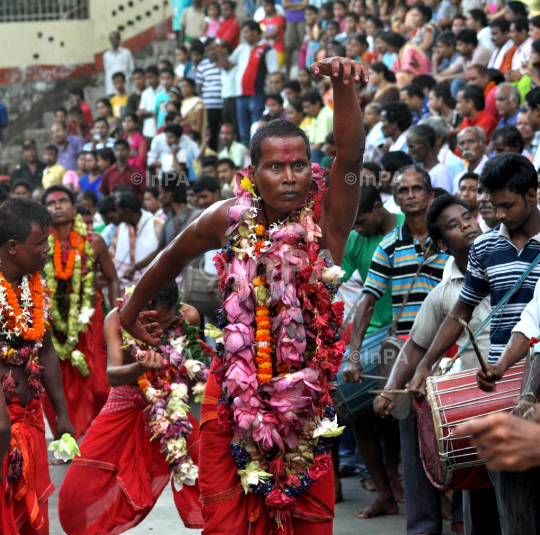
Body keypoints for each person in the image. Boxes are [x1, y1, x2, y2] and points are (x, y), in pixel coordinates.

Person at [118, 57, 367, 535]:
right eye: (276, 167)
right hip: (232, 396)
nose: (290, 176)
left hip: (306, 400)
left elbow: (350, 159)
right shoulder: (227, 216)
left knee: (309, 522)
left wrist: (343, 89)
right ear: (253, 172)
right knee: (227, 523)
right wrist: (130, 314)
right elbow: (170, 256)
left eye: (298, 165)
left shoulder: (330, 218)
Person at [410, 154, 540, 535]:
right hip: (501, 382)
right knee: (513, 505)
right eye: (493, 205)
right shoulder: (485, 248)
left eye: (508, 205)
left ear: (533, 194)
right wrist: (424, 366)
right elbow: (459, 314)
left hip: (536, 380)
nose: (499, 214)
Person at [372, 194, 495, 535]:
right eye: (454, 225)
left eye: (467, 217)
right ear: (442, 243)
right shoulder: (443, 293)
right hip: (474, 398)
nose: (467, 224)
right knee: (483, 494)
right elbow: (414, 347)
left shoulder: (509, 259)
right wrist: (388, 390)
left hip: (518, 386)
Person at [346, 165, 449, 535]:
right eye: (402, 190)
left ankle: (458, 515)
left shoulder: (449, 239)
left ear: (430, 194)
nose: (409, 195)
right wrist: (354, 355)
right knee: (412, 442)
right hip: (409, 351)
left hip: (451, 353)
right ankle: (422, 526)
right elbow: (367, 300)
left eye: (416, 188)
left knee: (450, 438)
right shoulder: (390, 245)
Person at [58, 282, 206, 535]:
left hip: (172, 408)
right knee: (77, 485)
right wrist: (140, 368)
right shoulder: (116, 318)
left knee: (211, 471)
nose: (165, 328)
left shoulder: (189, 316)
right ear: (145, 305)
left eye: (170, 321)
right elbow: (113, 374)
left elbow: (196, 372)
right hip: (125, 400)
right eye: (160, 321)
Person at [0, 197, 75, 535]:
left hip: (30, 423)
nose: (49, 249)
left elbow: (45, 350)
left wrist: (61, 413)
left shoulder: (34, 286)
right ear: (13, 247)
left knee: (32, 519)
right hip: (2, 429)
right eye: (41, 242)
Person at [341, 185, 406, 519]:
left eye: (361, 221)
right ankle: (385, 490)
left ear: (378, 208)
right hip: (372, 335)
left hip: (406, 333)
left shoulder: (406, 228)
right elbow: (336, 280)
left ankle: (396, 477)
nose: (357, 229)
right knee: (351, 401)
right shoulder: (357, 238)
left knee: (392, 412)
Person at [41, 185, 119, 440]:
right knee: (57, 386)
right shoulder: (39, 245)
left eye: (63, 201)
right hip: (51, 321)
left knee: (98, 384)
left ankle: (104, 436)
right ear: (44, 211)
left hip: (90, 318)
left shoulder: (94, 241)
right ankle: (67, 442)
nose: (58, 206)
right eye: (51, 204)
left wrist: (117, 311)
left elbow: (111, 278)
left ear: (74, 208)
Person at [123, 177, 202, 280]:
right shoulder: (169, 220)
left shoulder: (196, 216)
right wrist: (135, 267)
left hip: (193, 278)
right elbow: (159, 251)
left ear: (168, 195)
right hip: (177, 278)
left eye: (161, 193)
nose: (159, 197)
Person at [216, 20, 279, 147]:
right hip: (240, 96)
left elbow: (274, 74)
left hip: (258, 95)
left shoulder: (268, 50)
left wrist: (273, 93)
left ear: (255, 32)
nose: (244, 36)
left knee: (257, 130)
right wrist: (219, 52)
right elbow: (227, 66)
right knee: (244, 133)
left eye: (246, 32)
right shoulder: (241, 49)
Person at [110, 191, 165, 289]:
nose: (117, 214)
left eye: (118, 210)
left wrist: (134, 268)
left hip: (154, 282)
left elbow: (163, 252)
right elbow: (112, 255)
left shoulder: (157, 223)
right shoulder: (120, 228)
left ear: (127, 211)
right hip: (125, 285)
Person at [434, 29, 492, 97]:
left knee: (457, 83)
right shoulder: (464, 55)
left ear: (469, 45)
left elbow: (470, 75)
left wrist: (446, 78)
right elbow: (445, 73)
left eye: (460, 45)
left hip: (484, 86)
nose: (457, 48)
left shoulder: (480, 52)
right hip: (473, 85)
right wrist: (434, 61)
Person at [406, 124, 454, 192]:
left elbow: (442, 200)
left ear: (424, 145)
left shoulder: (440, 173)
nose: (409, 152)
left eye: (411, 147)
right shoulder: (423, 170)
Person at [419, 115, 465, 181]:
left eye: (423, 137)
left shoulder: (454, 164)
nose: (418, 143)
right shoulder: (421, 161)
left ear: (438, 139)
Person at [196, 40, 223, 151]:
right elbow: (199, 87)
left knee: (225, 131)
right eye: (208, 50)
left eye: (212, 49)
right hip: (209, 106)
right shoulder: (203, 65)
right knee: (211, 133)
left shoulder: (225, 63)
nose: (210, 52)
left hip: (224, 105)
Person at [301, 90, 334, 164]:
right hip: (320, 152)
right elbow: (312, 142)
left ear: (317, 104)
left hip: (328, 154)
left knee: (312, 153)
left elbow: (319, 145)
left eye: (307, 107)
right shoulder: (315, 116)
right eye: (304, 107)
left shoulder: (324, 116)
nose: (305, 110)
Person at [453, 126, 489, 192]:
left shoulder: (493, 172)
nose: (466, 147)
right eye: (462, 143)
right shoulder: (458, 179)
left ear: (483, 144)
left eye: (471, 141)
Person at [103, 31, 134, 96]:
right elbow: (107, 72)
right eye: (112, 39)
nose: (114, 41)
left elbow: (131, 69)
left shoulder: (126, 53)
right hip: (112, 88)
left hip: (125, 87)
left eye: (115, 38)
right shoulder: (106, 55)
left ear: (119, 39)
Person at [137, 65, 163, 140]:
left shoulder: (164, 91)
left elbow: (161, 111)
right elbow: (141, 112)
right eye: (147, 78)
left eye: (151, 77)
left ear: (158, 76)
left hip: (160, 127)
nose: (149, 81)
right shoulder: (145, 93)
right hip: (147, 130)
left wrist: (147, 113)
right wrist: (152, 112)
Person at [506, 16, 533, 81]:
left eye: (512, 32)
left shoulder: (531, 46)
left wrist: (518, 74)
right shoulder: (519, 46)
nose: (509, 35)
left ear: (523, 32)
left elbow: (528, 71)